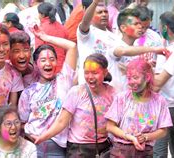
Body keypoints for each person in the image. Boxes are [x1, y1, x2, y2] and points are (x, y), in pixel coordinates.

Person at [34, 53, 115, 157]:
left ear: (105, 72)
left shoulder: (113, 93)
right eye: (86, 73)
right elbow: (61, 122)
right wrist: (42, 137)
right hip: (79, 149)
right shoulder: (77, 92)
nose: (90, 77)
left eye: (94, 73)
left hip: (102, 148)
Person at [18, 29, 78, 157]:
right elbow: (22, 123)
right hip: (33, 145)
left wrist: (45, 37)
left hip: (58, 147)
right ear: (36, 64)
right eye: (43, 60)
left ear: (56, 62)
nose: (48, 63)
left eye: (52, 59)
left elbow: (72, 47)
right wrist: (32, 136)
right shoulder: (28, 92)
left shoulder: (64, 80)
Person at [105, 59, 172, 157]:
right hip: (120, 151)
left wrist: (145, 137)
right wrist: (129, 137)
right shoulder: (122, 98)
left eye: (135, 77)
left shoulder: (159, 101)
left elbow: (163, 130)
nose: (131, 82)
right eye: (129, 78)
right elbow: (110, 126)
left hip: (145, 152)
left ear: (147, 77)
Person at [153, 11, 174, 158]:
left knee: (159, 150)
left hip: (167, 107)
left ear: (166, 29)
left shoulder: (167, 52)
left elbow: (157, 84)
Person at [37, 2, 68, 72]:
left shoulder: (41, 30)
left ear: (42, 14)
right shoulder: (62, 28)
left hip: (47, 68)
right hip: (62, 67)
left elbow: (38, 52)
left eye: (38, 13)